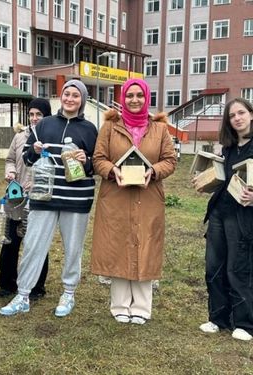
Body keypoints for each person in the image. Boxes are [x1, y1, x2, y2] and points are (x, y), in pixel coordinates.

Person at [0, 79, 97, 318]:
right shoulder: (44, 124)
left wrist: (87, 161)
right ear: (60, 97)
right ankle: (22, 295)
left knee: (73, 249)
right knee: (33, 245)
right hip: (43, 197)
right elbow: (27, 159)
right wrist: (33, 150)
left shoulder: (90, 129)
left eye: (75, 95)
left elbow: (97, 165)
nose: (70, 99)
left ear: (82, 100)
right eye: (66, 94)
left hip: (76, 199)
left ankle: (69, 293)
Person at [90, 78, 177, 325]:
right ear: (123, 99)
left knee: (145, 244)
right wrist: (111, 170)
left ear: (146, 98)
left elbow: (170, 160)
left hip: (148, 196)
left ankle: (141, 305)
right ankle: (119, 304)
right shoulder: (109, 127)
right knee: (118, 244)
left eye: (139, 95)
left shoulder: (159, 130)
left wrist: (154, 171)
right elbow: (98, 159)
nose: (135, 100)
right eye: (130, 96)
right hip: (116, 196)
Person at [192, 98, 253, 340]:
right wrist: (205, 180)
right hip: (220, 212)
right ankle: (218, 318)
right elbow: (223, 179)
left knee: (238, 268)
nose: (237, 118)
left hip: (243, 216)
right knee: (214, 267)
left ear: (251, 114)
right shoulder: (227, 147)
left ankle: (245, 323)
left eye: (241, 113)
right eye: (232, 115)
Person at [0, 98, 52, 299]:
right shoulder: (20, 137)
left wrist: (37, 183)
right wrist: (11, 172)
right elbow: (10, 159)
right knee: (10, 240)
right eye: (31, 114)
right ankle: (7, 283)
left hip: (39, 197)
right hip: (16, 195)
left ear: (46, 116)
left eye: (39, 114)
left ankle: (37, 286)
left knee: (37, 241)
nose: (35, 118)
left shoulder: (51, 136)